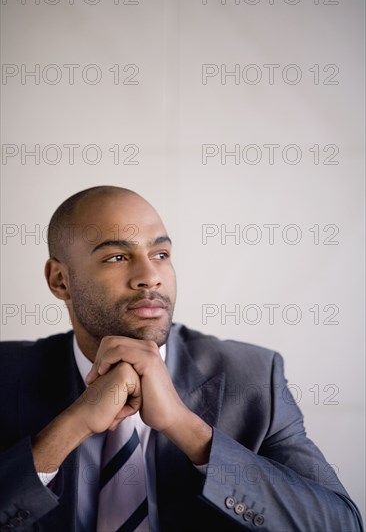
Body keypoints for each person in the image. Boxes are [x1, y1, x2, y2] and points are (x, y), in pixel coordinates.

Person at [0, 185, 363, 532]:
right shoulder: (7, 374)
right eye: (117, 257)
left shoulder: (253, 379)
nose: (150, 277)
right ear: (60, 280)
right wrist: (70, 428)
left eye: (160, 254)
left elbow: (340, 524)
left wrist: (186, 428)